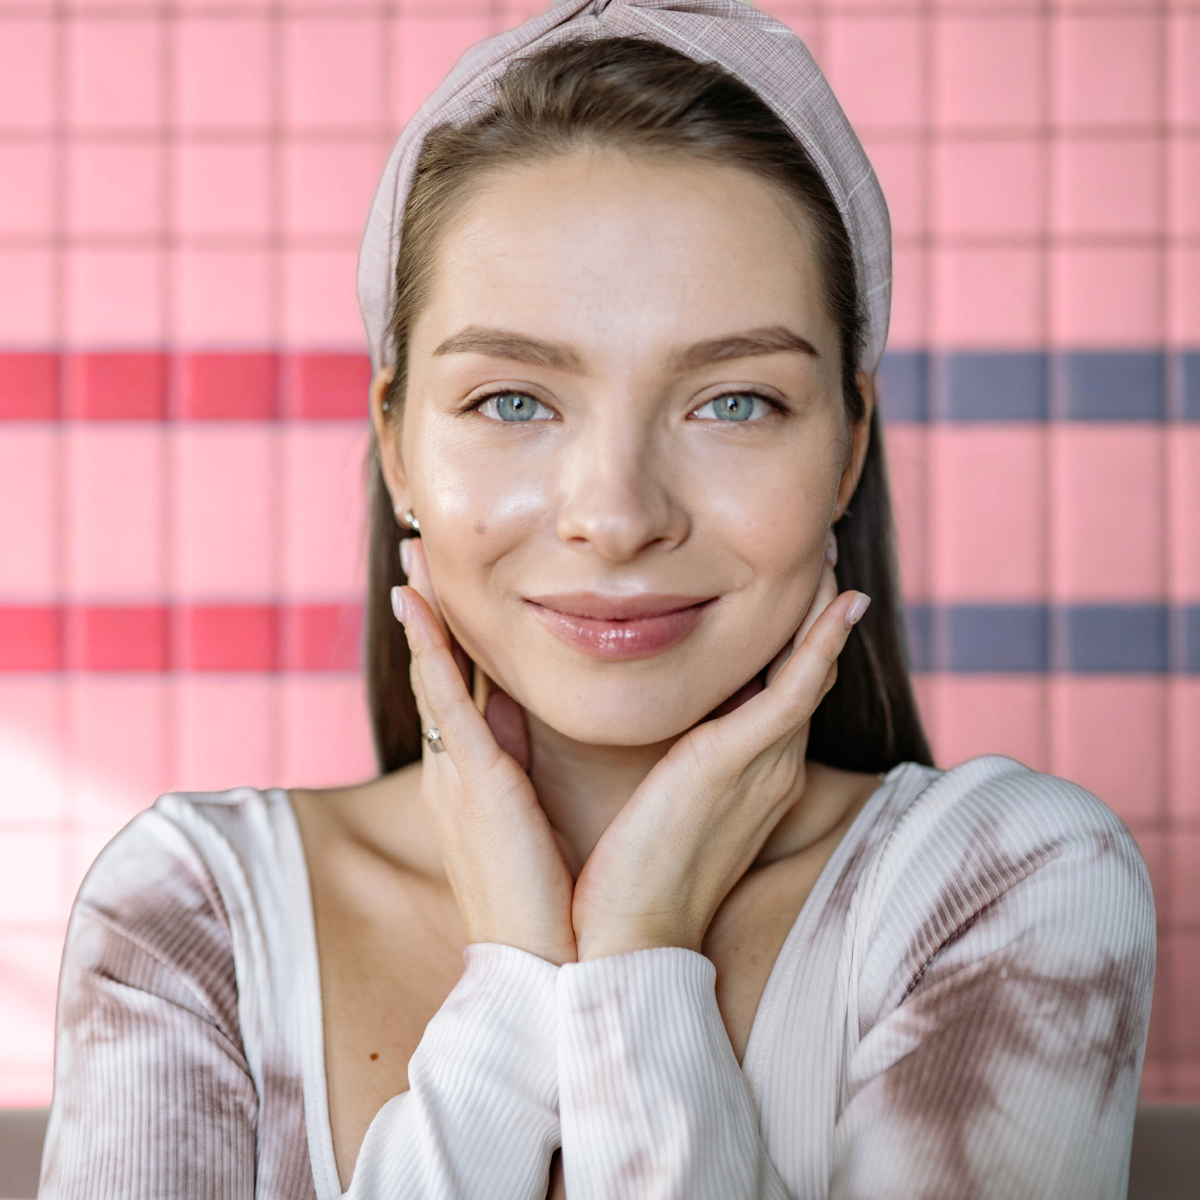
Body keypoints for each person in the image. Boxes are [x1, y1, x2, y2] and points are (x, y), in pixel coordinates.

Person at [39, 3, 1155, 1197]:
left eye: (735, 401)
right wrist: (517, 985)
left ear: (846, 450)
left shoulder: (1005, 887)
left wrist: (637, 958)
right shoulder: (193, 913)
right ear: (400, 448)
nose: (618, 515)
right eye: (513, 401)